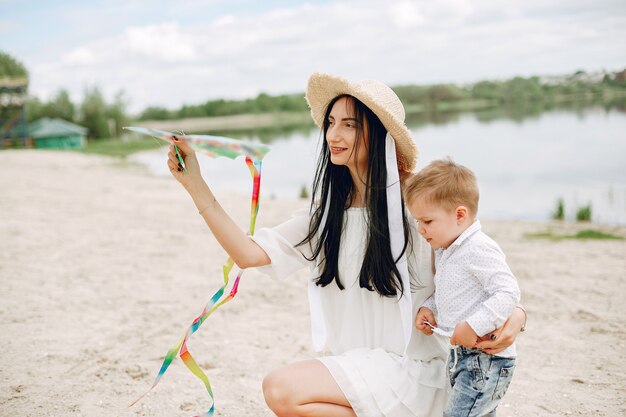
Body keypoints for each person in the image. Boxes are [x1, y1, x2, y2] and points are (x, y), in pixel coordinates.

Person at [165, 72, 526, 417]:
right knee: (282, 396)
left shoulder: (417, 201)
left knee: (281, 387)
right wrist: (195, 184)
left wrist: (517, 315)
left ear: (379, 132)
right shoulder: (326, 213)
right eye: (331, 122)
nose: (333, 134)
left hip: (419, 372)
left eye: (349, 124)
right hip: (360, 371)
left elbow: (475, 260)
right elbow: (247, 253)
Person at [407, 159, 522, 417]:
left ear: (460, 215)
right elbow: (452, 291)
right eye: (418, 221)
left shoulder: (478, 248)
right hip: (464, 357)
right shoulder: (449, 249)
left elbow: (508, 292)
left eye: (427, 221)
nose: (420, 229)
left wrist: (474, 325)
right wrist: (430, 308)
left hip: (486, 359)